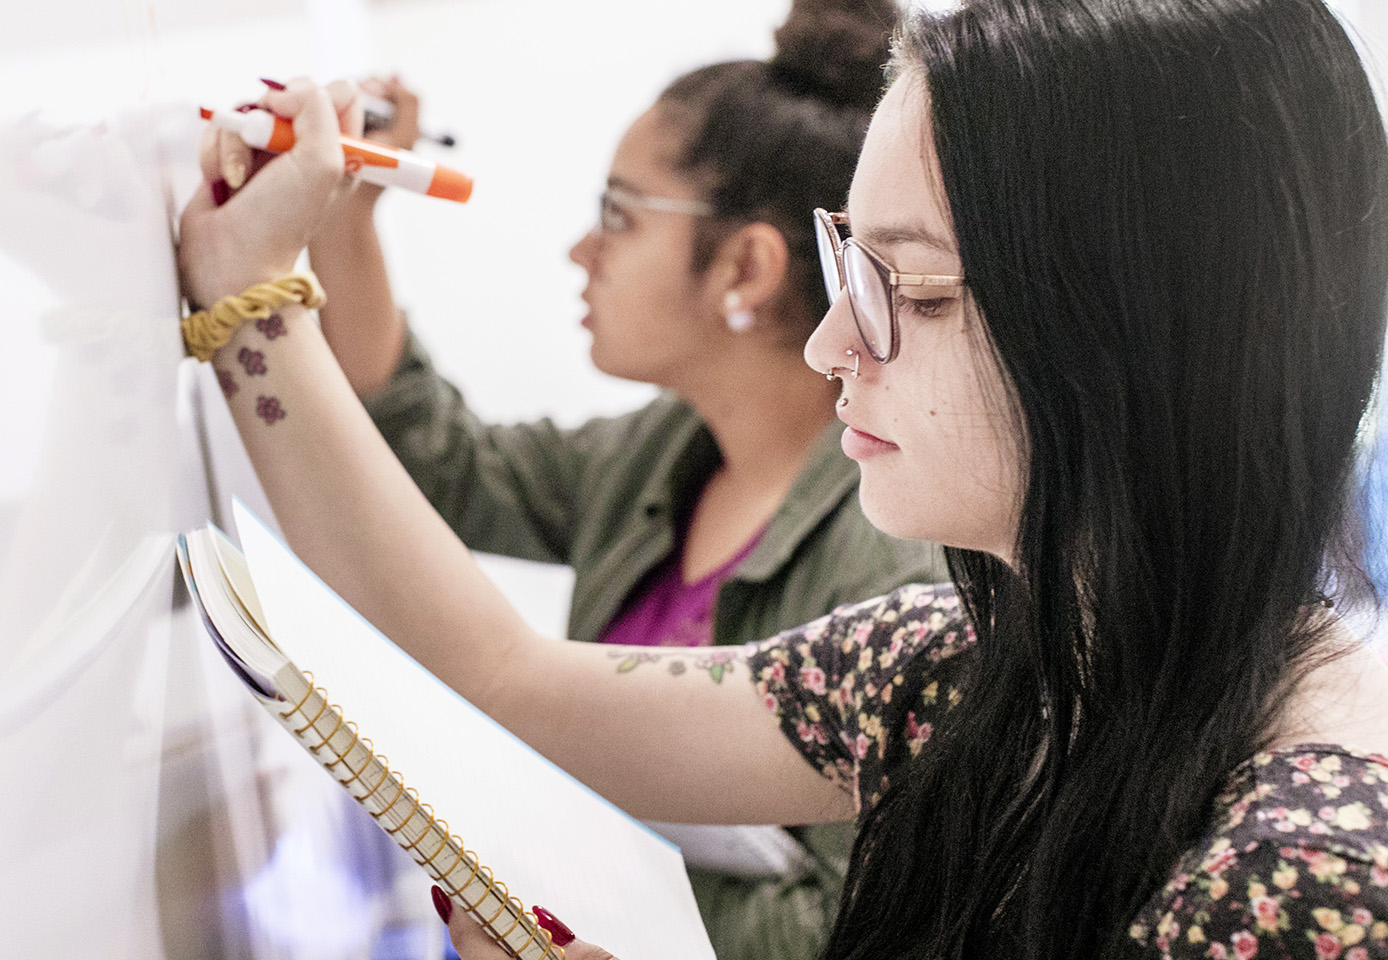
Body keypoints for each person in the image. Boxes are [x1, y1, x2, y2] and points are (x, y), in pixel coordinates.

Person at [175, 0, 1388, 955]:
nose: (830, 345)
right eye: (845, 261)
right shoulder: (956, 671)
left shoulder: (1302, 878)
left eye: (904, 290)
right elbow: (504, 678)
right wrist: (246, 296)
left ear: (1136, 333)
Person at [283, 2, 941, 957]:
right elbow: (437, 466)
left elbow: (851, 925)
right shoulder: (663, 450)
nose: (580, 254)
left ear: (746, 267)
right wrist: (347, 216)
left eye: (616, 219)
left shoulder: (898, 564)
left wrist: (569, 883)